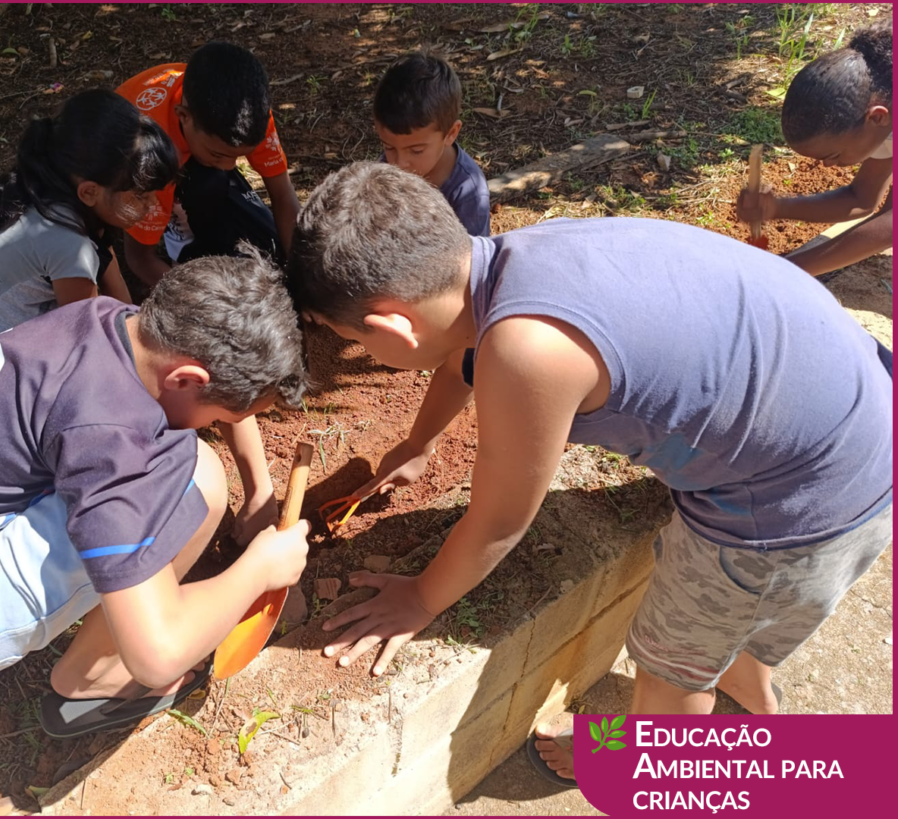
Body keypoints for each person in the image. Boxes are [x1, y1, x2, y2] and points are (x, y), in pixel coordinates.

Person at [287, 162, 893, 787]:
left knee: (669, 663)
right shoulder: (513, 260)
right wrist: (420, 443)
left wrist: (419, 598)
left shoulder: (528, 350)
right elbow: (461, 356)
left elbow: (498, 523)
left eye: (349, 338)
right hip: (860, 410)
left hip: (801, 500)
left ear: (391, 326)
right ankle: (752, 694)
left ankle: (651, 770)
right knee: (735, 618)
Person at [0, 252, 311, 738]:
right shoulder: (112, 444)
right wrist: (260, 569)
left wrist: (258, 489)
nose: (222, 426)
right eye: (223, 417)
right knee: (190, 482)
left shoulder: (109, 320)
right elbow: (159, 654)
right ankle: (92, 680)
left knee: (189, 466)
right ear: (187, 379)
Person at [0, 89, 178, 369]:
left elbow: (107, 265)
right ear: (89, 192)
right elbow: (88, 338)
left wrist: (130, 318)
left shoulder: (43, 184)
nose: (153, 204)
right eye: (141, 196)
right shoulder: (69, 246)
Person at [116, 41, 300, 284]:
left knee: (271, 244)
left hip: (187, 155)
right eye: (218, 154)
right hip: (141, 162)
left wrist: (302, 275)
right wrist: (191, 296)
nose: (229, 167)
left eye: (238, 157)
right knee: (208, 184)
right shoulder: (146, 151)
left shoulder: (248, 111)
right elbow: (139, 258)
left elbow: (283, 194)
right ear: (184, 116)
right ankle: (177, 231)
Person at [736, 23, 892, 278]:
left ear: (876, 118)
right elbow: (862, 199)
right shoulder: (883, 110)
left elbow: (891, 225)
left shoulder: (881, 115)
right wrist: (776, 208)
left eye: (833, 155)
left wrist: (783, 273)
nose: (827, 166)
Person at [374, 51, 490, 236]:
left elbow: (473, 251)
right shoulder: (387, 167)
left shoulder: (468, 193)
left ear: (451, 133)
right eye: (388, 147)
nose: (399, 163)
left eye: (416, 150)